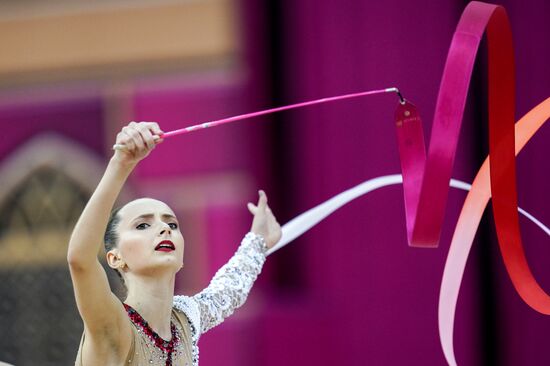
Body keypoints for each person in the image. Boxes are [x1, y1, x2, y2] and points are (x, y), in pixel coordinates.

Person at [67, 121, 281, 365]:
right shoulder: (113, 326)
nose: (163, 228)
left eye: (172, 224)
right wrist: (121, 163)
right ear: (115, 258)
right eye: (142, 225)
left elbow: (230, 290)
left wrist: (259, 241)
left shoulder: (185, 321)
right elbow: (79, 260)